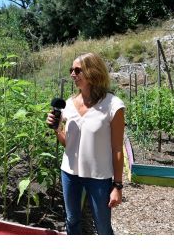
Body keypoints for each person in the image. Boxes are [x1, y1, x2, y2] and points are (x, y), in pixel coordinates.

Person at [46, 52, 125, 235]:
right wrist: (58, 129)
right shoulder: (68, 105)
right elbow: (69, 144)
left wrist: (118, 186)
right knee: (72, 220)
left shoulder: (113, 105)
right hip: (69, 174)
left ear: (93, 72)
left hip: (99, 178)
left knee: (103, 226)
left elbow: (117, 149)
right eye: (71, 70)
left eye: (78, 70)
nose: (72, 74)